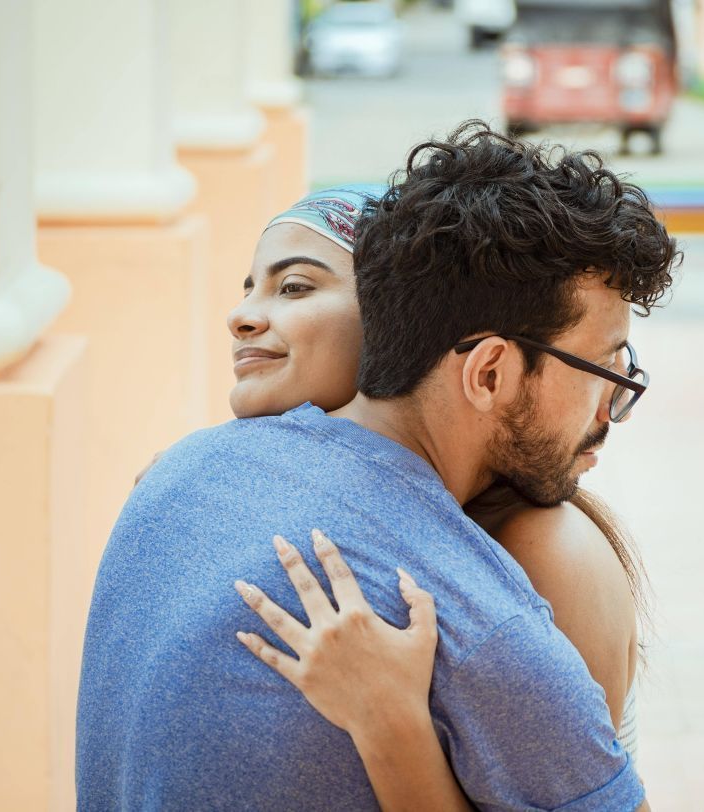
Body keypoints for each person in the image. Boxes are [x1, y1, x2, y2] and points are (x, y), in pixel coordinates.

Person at [79, 121, 704, 811]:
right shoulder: (474, 616)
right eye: (605, 369)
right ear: (489, 371)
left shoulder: (173, 478)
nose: (613, 409)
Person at [193, 183, 648, 746]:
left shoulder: (541, 548)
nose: (241, 316)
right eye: (251, 287)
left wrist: (391, 727)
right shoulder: (236, 481)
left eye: (295, 286)